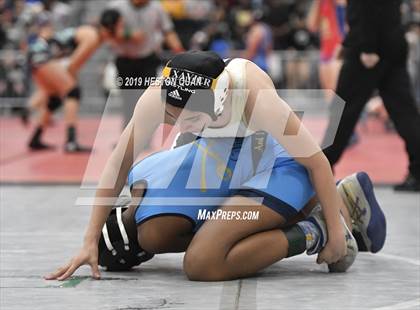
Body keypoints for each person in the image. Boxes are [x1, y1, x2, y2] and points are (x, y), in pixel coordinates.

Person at [45, 51, 386, 281]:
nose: (181, 124)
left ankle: (318, 227)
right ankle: (275, 219)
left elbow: (317, 163)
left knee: (202, 262)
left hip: (278, 162)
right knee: (152, 230)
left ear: (221, 97)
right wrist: (89, 238)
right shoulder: (161, 96)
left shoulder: (256, 99)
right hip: (222, 155)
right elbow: (118, 162)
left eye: (190, 117)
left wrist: (336, 238)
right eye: (173, 117)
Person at [322, 0, 420, 191]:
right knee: (405, 113)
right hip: (393, 46)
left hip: (368, 51)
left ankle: (321, 169)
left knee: (342, 112)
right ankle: (418, 171)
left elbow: (366, 7)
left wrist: (367, 46)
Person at [26, 9, 125, 152]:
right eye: (120, 26)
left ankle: (36, 138)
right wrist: (71, 83)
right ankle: (71, 142)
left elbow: (70, 64)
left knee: (55, 99)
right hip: (42, 56)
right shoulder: (92, 37)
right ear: (111, 26)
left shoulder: (94, 35)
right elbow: (73, 65)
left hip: (40, 55)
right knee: (73, 92)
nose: (121, 30)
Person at [108, 0, 184, 129]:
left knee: (147, 98)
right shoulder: (116, 7)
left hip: (148, 60)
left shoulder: (157, 7)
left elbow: (168, 31)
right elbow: (107, 31)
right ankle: (127, 135)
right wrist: (129, 35)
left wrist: (180, 52)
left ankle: (144, 135)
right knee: (128, 99)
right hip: (125, 60)